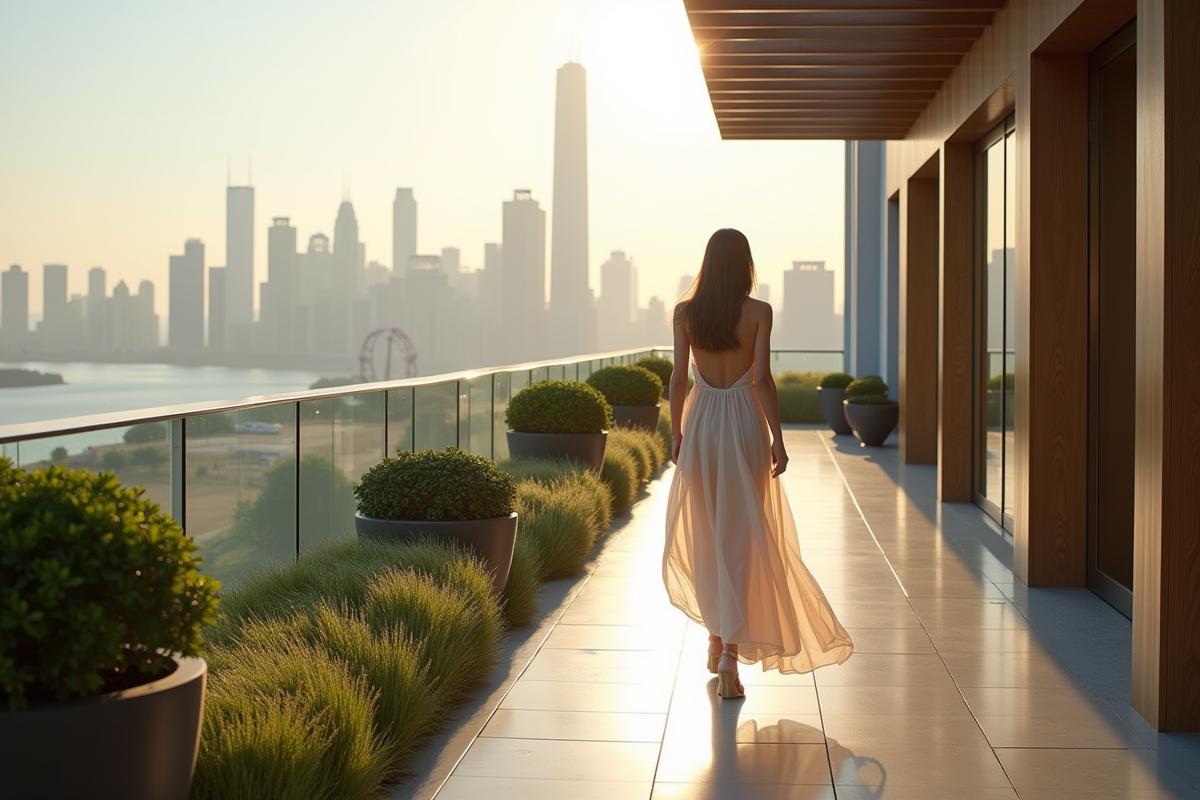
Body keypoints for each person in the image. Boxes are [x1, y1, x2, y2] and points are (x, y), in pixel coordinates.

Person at [663, 228, 853, 699]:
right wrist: (779, 438)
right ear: (745, 264)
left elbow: (677, 380)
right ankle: (728, 653)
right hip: (745, 427)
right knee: (742, 536)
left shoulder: (685, 314)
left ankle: (715, 638)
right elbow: (762, 379)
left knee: (707, 530)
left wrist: (676, 433)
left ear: (707, 263)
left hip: (703, 425)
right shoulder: (759, 313)